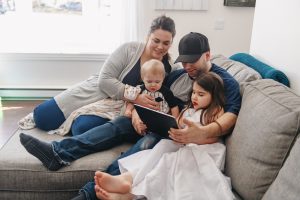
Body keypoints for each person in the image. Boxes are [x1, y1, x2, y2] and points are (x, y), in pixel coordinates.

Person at [20, 32, 241, 200]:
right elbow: (147, 91)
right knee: (118, 124)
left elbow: (229, 117)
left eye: (193, 61)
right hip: (154, 121)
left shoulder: (225, 81)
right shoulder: (178, 75)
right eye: (184, 61)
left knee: (146, 146)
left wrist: (200, 133)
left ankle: (90, 193)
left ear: (208, 55)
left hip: (176, 136)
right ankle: (58, 153)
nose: (188, 67)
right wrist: (134, 112)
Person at [19, 15, 179, 136]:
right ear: (147, 37)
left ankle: (77, 121)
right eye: (156, 40)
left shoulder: (168, 68)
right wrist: (135, 97)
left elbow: (164, 98)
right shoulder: (129, 49)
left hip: (116, 109)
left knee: (80, 129)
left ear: (171, 43)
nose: (160, 47)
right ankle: (69, 113)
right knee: (42, 117)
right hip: (96, 92)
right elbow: (105, 80)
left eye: (166, 43)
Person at [94, 72, 233, 200]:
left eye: (201, 94)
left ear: (214, 96)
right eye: (194, 92)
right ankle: (127, 178)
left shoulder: (215, 111)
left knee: (167, 161)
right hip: (184, 145)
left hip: (204, 151)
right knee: (163, 145)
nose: (195, 97)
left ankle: (127, 194)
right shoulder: (189, 110)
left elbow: (214, 137)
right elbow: (177, 125)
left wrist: (194, 137)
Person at [48, 59, 179, 136]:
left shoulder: (166, 92)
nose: (153, 85)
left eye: (157, 82)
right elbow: (131, 101)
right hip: (142, 119)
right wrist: (129, 110)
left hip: (160, 120)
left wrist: (175, 119)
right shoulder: (140, 89)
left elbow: (173, 105)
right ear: (143, 79)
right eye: (149, 81)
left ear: (163, 79)